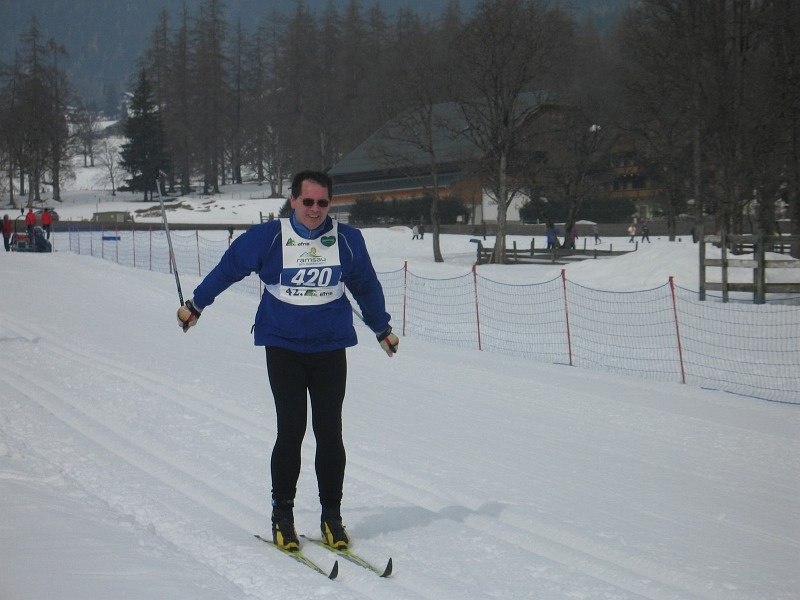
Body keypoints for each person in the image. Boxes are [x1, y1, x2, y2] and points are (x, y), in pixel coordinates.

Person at [176, 170, 399, 553]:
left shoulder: (347, 240)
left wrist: (382, 329)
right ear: (293, 200)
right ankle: (283, 516)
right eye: (307, 201)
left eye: (322, 203)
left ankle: (331, 518)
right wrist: (196, 305)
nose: (315, 209)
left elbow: (366, 286)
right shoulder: (269, 237)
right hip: (283, 345)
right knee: (291, 430)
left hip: (330, 346)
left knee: (330, 432)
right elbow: (230, 268)